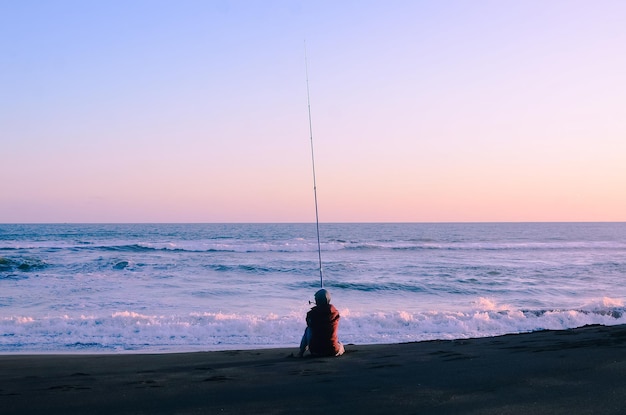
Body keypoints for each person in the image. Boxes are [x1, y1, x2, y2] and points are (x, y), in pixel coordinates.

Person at [298, 288, 345, 357]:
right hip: (332, 351)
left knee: (308, 329)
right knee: (339, 343)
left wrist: (316, 309)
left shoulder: (311, 314)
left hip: (316, 351)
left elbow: (309, 324)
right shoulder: (335, 313)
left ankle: (301, 353)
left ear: (317, 301)